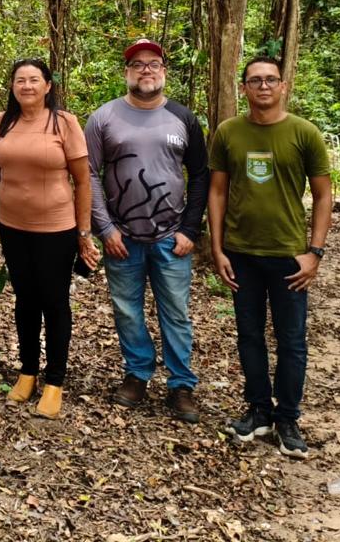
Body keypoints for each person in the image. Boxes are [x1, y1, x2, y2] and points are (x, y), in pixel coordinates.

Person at [209, 55, 332, 459]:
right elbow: (218, 192)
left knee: (292, 341)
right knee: (249, 336)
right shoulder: (228, 133)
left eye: (270, 80)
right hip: (241, 253)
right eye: (254, 80)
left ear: (283, 86)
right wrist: (217, 247)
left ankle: (288, 419)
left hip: (289, 255)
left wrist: (314, 252)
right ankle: (258, 410)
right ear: (243, 87)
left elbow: (323, 195)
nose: (263, 86)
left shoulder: (304, 133)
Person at [85, 37, 209, 424]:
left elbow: (201, 175)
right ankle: (137, 374)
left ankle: (180, 384)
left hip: (172, 236)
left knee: (176, 312)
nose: (146, 70)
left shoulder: (183, 118)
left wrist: (191, 228)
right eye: (137, 64)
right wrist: (104, 228)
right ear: (126, 73)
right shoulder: (103, 118)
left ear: (164, 71)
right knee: (127, 311)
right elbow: (87, 173)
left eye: (153, 64)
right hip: (122, 236)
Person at [0, 58, 99, 419]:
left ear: (48, 86)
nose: (27, 86)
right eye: (20, 80)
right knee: (25, 299)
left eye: (35, 80)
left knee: (53, 301)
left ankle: (55, 381)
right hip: (12, 225)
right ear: (13, 86)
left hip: (56, 228)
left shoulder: (64, 123)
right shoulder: (4, 122)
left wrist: (83, 233)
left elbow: (83, 180)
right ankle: (28, 371)